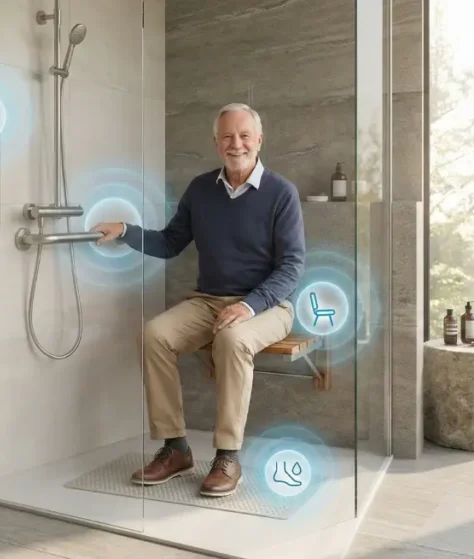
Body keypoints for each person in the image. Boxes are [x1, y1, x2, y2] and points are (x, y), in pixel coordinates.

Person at [92, 103, 305, 497]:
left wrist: (249, 305)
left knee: (233, 339)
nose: (236, 144)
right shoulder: (201, 190)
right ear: (216, 142)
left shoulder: (281, 193)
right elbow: (170, 242)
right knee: (154, 335)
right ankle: (176, 448)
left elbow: (292, 267)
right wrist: (125, 230)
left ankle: (227, 456)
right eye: (227, 136)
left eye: (244, 135)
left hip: (269, 305)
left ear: (259, 140)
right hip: (209, 300)